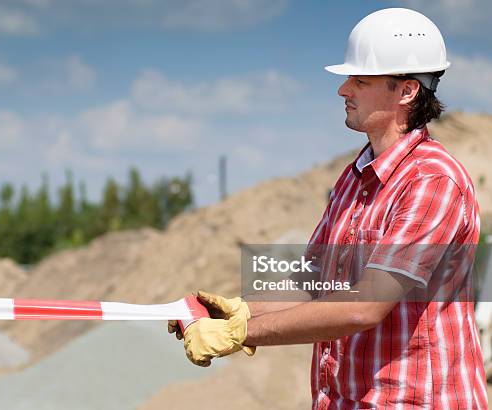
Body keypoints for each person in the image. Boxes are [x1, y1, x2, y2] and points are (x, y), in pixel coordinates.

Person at [168, 8, 488, 409]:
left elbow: (365, 307)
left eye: (360, 80)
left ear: (406, 91)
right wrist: (240, 310)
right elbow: (318, 281)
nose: (343, 90)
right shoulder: (354, 177)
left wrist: (243, 333)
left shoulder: (433, 181)